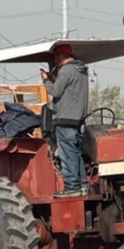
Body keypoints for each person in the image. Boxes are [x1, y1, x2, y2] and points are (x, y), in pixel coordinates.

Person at [41, 44, 89, 197]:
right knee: (77, 153)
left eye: (55, 56)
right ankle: (82, 185)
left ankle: (71, 187)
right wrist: (56, 79)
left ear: (61, 56)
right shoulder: (81, 70)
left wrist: (46, 81)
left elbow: (56, 91)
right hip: (78, 119)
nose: (55, 59)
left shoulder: (66, 70)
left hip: (65, 118)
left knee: (67, 154)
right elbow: (69, 88)